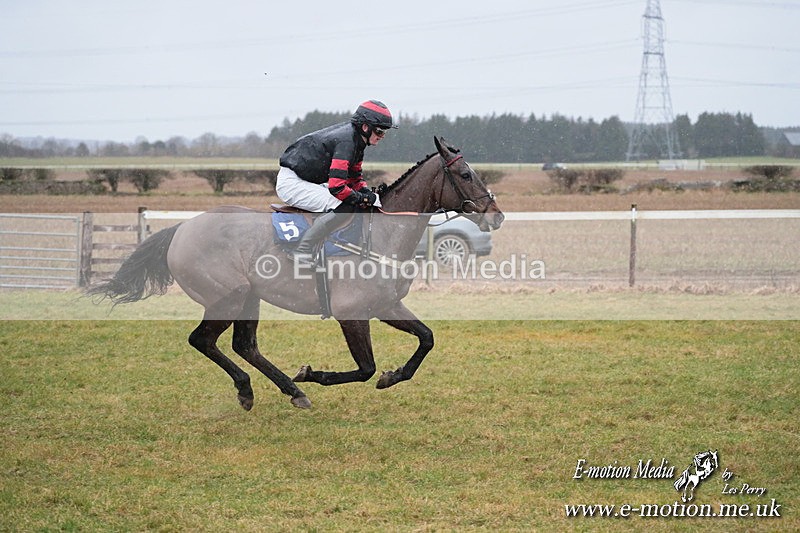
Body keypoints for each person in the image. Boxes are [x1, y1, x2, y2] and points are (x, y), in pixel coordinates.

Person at [276, 99, 397, 265]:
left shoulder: (357, 141)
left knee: (352, 200)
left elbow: (354, 177)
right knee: (343, 205)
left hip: (307, 180)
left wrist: (365, 192)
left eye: (384, 133)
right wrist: (361, 199)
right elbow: (337, 188)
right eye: (380, 132)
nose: (382, 137)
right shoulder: (347, 142)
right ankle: (302, 249)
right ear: (365, 127)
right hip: (293, 183)